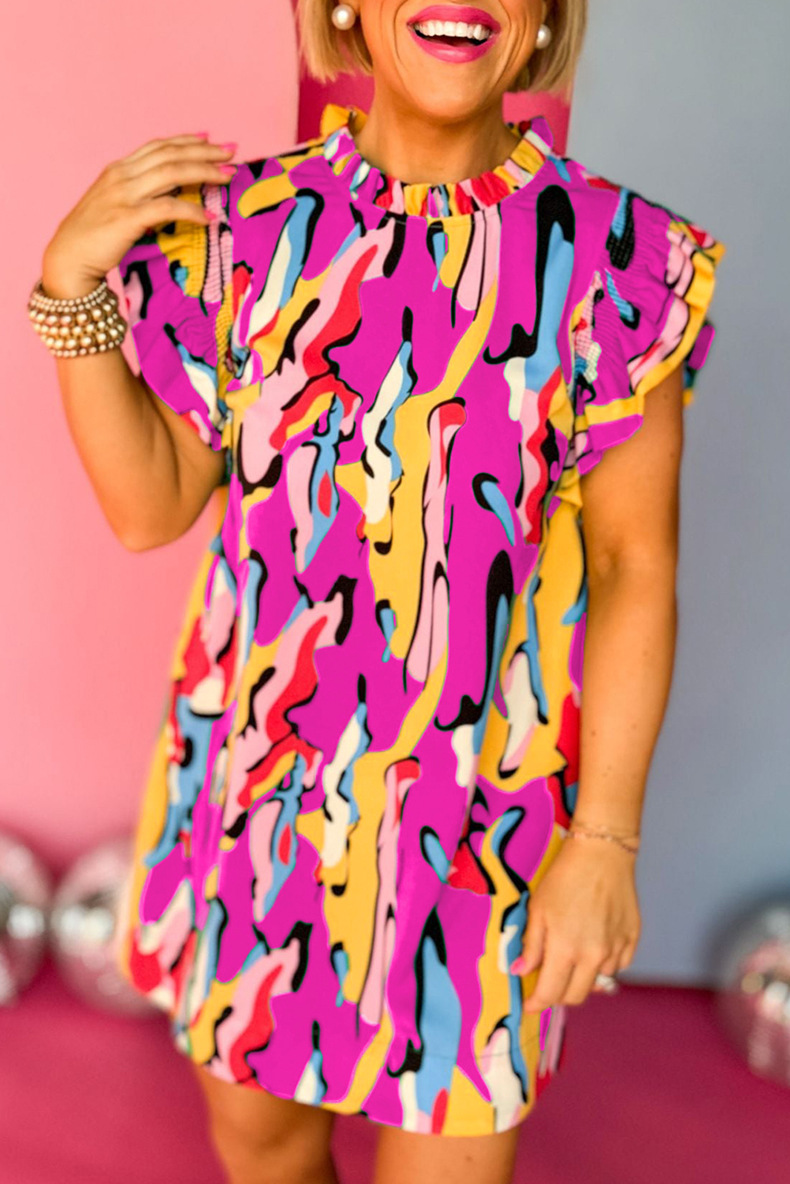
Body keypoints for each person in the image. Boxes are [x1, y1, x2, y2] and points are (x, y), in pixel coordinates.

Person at [31, 0, 725, 1180]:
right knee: (263, 1149)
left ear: (543, 17)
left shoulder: (619, 262)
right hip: (258, 813)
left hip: (486, 839)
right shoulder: (244, 232)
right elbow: (151, 507)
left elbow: (631, 565)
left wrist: (605, 840)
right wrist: (70, 284)